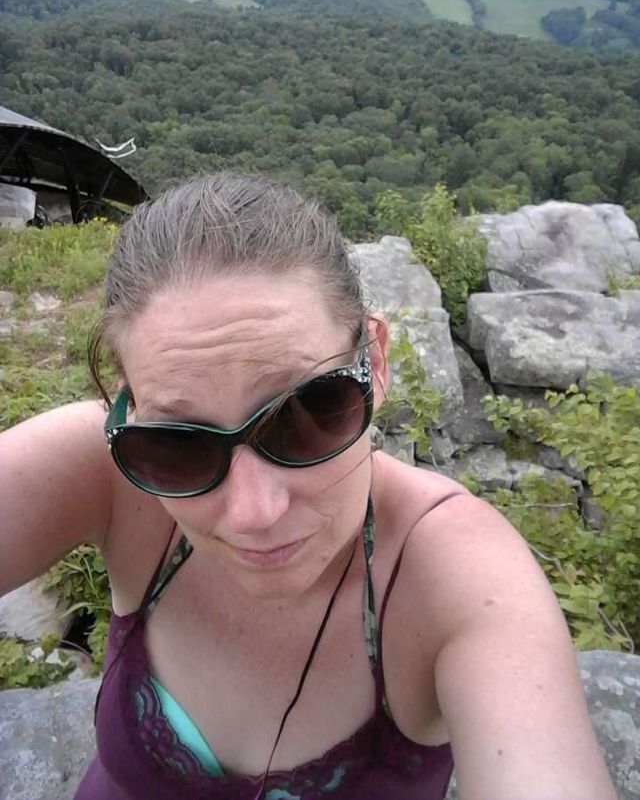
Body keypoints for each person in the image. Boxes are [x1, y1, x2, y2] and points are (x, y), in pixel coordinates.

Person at [0, 173, 617, 800]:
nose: (254, 512)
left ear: (375, 362)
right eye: (178, 443)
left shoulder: (456, 575)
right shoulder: (109, 470)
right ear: (131, 413)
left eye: (306, 411)